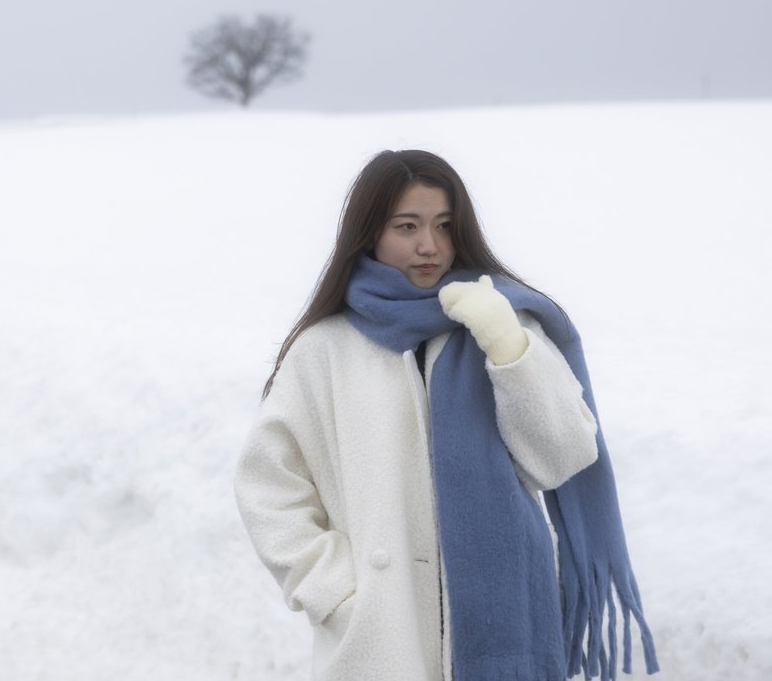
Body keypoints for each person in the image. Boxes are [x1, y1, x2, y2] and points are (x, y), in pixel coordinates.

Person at [234, 150, 657, 681]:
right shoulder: (324, 351)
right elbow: (268, 484)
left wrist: (508, 347)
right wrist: (336, 591)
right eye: (406, 226)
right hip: (381, 639)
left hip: (509, 618)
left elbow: (563, 457)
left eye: (443, 226)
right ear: (369, 234)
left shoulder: (502, 320)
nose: (428, 246)